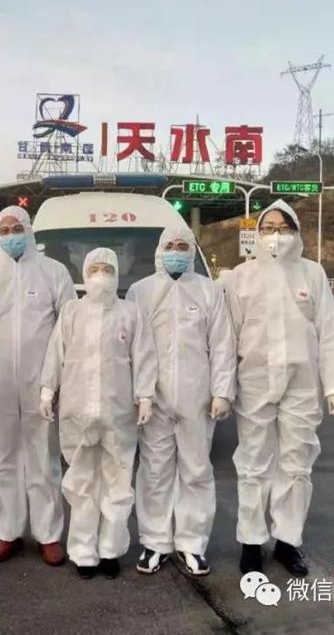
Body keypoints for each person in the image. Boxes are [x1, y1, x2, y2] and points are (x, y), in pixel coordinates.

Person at [223, 200, 334, 576]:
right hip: (255, 380)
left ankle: (287, 541)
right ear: (257, 234)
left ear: (295, 232)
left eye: (282, 227)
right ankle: (250, 541)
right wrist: (223, 389)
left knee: (296, 463)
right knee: (253, 462)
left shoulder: (312, 273)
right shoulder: (241, 277)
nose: (275, 235)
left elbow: (328, 331)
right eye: (267, 228)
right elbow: (228, 336)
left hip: (302, 383)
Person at [0, 206, 75, 566]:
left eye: (17, 228)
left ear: (29, 230)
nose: (11, 234)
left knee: (44, 458)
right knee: (3, 459)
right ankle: (7, 532)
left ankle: (48, 534)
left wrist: (58, 382)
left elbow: (68, 330)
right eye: (4, 229)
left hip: (41, 383)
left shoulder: (53, 272)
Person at [39, 248, 157, 580]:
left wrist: (145, 396)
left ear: (117, 274)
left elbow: (144, 356)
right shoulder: (71, 312)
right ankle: (83, 552)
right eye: (95, 269)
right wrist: (47, 390)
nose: (101, 275)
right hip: (77, 411)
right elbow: (56, 353)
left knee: (118, 482)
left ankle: (110, 550)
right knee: (81, 483)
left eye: (107, 269)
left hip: (118, 412)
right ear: (84, 273)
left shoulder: (131, 313)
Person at [126, 226, 237, 577]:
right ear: (160, 250)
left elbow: (222, 344)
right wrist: (139, 393)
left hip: (196, 397)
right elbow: (131, 346)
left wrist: (222, 392)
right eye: (170, 245)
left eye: (182, 246)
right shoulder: (141, 291)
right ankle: (155, 542)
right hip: (153, 397)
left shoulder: (209, 290)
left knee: (196, 470)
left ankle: (192, 543)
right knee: (154, 470)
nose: (176, 251)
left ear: (191, 251)